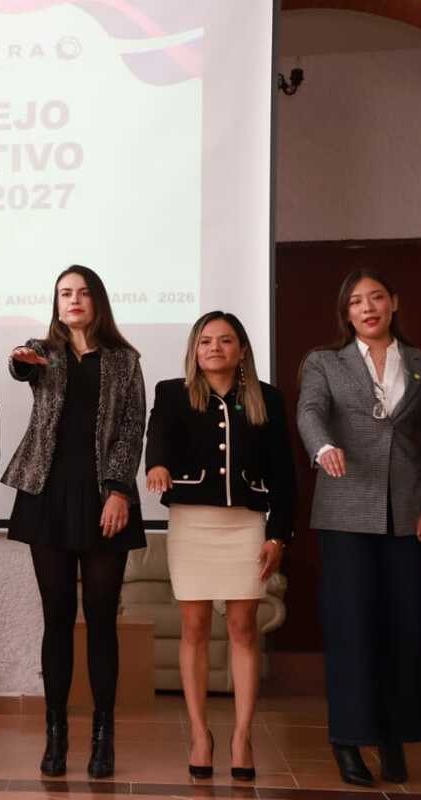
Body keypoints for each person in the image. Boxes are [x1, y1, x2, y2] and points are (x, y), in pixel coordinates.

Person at [296, 270, 421, 788]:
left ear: (394, 303)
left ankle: (394, 735)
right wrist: (322, 447)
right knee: (351, 628)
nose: (368, 308)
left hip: (409, 512)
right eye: (357, 302)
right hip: (345, 512)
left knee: (406, 629)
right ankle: (347, 738)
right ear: (346, 313)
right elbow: (310, 411)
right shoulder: (324, 362)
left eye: (377, 298)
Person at [1, 265, 146, 778]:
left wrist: (119, 491)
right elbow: (23, 368)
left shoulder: (125, 361)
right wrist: (23, 362)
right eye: (65, 293)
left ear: (97, 300)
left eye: (83, 292)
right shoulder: (43, 351)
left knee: (102, 618)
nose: (74, 300)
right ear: (56, 303)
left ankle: (103, 735)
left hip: (105, 497)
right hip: (48, 495)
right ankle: (56, 733)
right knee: (56, 617)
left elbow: (132, 431)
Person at [145, 310, 295, 781]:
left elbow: (285, 474)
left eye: (225, 340)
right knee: (193, 627)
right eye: (205, 341)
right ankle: (198, 732)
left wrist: (278, 534)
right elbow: (158, 440)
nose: (214, 348)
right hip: (192, 523)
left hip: (246, 525)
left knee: (243, 628)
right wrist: (156, 466)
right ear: (194, 349)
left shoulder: (266, 398)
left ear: (242, 349)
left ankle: (242, 735)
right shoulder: (172, 393)